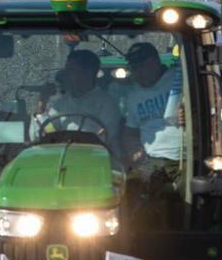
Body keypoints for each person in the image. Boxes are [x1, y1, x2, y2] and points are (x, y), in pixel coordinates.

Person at [31, 48, 124, 165]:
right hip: (63, 160)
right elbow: (44, 132)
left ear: (88, 73)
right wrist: (42, 102)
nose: (66, 75)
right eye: (67, 71)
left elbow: (107, 138)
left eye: (72, 70)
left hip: (98, 161)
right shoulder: (61, 104)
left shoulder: (107, 104)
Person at [121, 42, 185, 173]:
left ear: (155, 62)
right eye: (133, 68)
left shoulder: (179, 79)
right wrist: (134, 150)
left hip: (184, 159)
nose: (137, 73)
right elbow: (130, 132)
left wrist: (190, 114)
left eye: (141, 66)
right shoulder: (133, 96)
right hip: (151, 161)